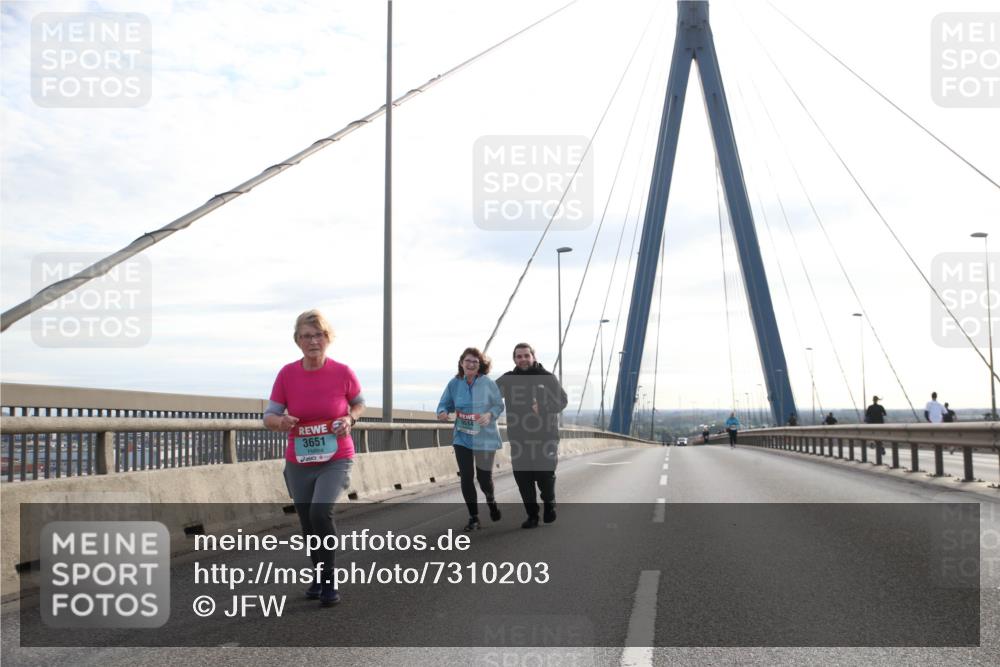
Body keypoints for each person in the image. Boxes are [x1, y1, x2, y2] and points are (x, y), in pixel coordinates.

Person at [264, 310, 365, 608]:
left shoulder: (342, 372)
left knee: (321, 512)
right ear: (297, 341)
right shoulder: (287, 374)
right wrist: (278, 422)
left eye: (318, 335)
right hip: (299, 459)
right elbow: (269, 414)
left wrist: (349, 418)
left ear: (327, 338)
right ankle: (319, 574)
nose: (313, 341)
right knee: (308, 522)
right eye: (306, 336)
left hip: (336, 455)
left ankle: (330, 579)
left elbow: (358, 403)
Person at [496, 343, 568, 529]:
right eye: (519, 356)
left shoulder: (547, 378)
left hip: (546, 437)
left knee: (545, 474)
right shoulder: (508, 379)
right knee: (523, 479)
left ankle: (549, 503)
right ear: (514, 359)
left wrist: (544, 408)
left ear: (533, 357)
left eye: (526, 355)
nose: (523, 359)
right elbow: (487, 393)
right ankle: (532, 515)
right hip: (519, 439)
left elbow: (562, 400)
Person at [436, 347, 505, 532]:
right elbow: (444, 404)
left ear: (480, 365)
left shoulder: (488, 383)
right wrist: (442, 412)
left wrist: (490, 414)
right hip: (462, 436)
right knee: (466, 477)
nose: (471, 364)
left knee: (484, 479)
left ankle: (491, 501)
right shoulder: (454, 383)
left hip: (485, 437)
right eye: (468, 361)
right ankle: (474, 517)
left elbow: (499, 405)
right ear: (461, 363)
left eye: (475, 361)